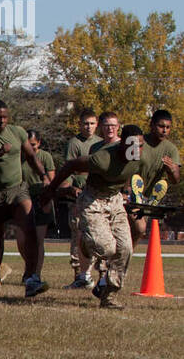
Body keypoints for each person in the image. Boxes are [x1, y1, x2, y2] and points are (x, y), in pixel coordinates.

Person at [41, 124, 143, 309]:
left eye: (140, 146)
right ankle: (85, 245)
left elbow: (130, 173)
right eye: (133, 145)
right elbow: (71, 165)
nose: (137, 150)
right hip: (93, 199)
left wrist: (128, 191)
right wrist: (51, 189)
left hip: (115, 201)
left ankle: (109, 296)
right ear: (122, 144)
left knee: (126, 249)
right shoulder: (103, 158)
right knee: (107, 249)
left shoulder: (138, 155)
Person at [0, 100, 50, 297]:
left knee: (29, 228)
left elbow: (32, 157)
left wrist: (44, 176)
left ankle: (32, 278)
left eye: (5, 117)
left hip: (18, 189)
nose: (2, 120)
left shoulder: (17, 132)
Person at [60, 109, 100, 287]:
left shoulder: (101, 143)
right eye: (85, 123)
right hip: (79, 195)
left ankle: (99, 273)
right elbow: (69, 169)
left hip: (98, 194)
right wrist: (70, 188)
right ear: (79, 124)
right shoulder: (74, 144)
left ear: (97, 124)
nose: (89, 127)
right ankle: (79, 274)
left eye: (92, 123)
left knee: (98, 234)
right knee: (78, 233)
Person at [130, 109, 180, 248]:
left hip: (146, 199)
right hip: (130, 194)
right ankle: (119, 261)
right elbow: (125, 168)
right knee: (137, 229)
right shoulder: (139, 143)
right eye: (161, 126)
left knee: (138, 232)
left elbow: (176, 179)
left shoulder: (171, 149)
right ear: (151, 125)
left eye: (168, 127)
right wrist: (125, 189)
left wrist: (171, 170)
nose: (164, 130)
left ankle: (121, 261)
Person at [22, 130, 56, 278]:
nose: (31, 148)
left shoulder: (45, 157)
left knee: (38, 240)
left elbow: (52, 181)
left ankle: (36, 273)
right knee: (22, 239)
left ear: (39, 143)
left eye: (34, 145)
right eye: (28, 145)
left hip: (41, 199)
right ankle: (29, 267)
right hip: (23, 199)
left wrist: (48, 199)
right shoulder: (19, 157)